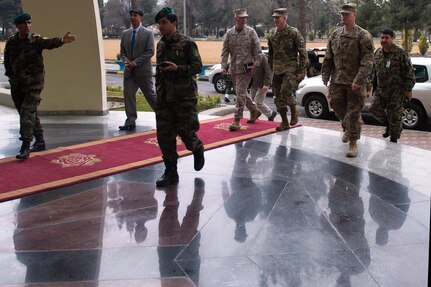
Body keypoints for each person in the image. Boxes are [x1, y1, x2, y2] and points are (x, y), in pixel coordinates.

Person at [4, 13, 76, 160]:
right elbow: (7, 61)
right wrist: (11, 77)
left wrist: (62, 40)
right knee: (29, 114)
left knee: (26, 113)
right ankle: (40, 141)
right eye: (24, 23)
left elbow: (49, 43)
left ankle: (25, 145)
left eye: (29, 23)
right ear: (18, 26)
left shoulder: (35, 40)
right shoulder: (11, 42)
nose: (28, 26)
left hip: (33, 84)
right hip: (17, 85)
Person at [154, 7, 205, 187]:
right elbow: (158, 72)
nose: (161, 27)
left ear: (173, 23)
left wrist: (178, 68)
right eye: (159, 23)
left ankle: (197, 148)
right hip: (165, 99)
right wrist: (157, 93)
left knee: (186, 133)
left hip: (184, 98)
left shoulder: (187, 43)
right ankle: (171, 173)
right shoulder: (160, 45)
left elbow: (198, 67)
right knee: (164, 137)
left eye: (164, 23)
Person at [321, 3, 374, 157]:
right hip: (337, 80)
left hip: (355, 82)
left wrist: (359, 79)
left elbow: (368, 61)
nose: (344, 17)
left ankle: (353, 142)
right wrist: (325, 75)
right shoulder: (335, 35)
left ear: (354, 15)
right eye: (342, 14)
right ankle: (349, 127)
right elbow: (328, 57)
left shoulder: (363, 35)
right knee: (336, 106)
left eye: (347, 14)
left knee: (353, 112)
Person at [370, 28, 416, 143]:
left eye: (387, 37)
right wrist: (372, 86)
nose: (384, 40)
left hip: (396, 92)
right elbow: (374, 72)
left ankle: (393, 140)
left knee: (395, 118)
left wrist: (409, 89)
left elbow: (409, 72)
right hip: (381, 91)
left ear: (392, 38)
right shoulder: (378, 53)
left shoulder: (400, 53)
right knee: (373, 108)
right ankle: (389, 124)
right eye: (382, 37)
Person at [221, 8, 263, 131]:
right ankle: (254, 110)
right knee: (242, 92)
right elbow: (225, 51)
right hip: (233, 68)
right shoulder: (229, 33)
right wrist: (223, 66)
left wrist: (256, 64)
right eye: (241, 18)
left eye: (245, 18)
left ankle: (237, 120)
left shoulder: (251, 32)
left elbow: (258, 50)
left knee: (239, 94)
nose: (244, 20)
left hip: (247, 69)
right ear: (236, 19)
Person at [267, 8, 308, 131]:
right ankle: (284, 121)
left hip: (290, 68)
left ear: (285, 18)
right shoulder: (272, 34)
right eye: (274, 18)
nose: (275, 20)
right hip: (277, 69)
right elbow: (271, 53)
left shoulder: (293, 32)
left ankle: (294, 110)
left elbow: (303, 53)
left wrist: (301, 71)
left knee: (285, 92)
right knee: (277, 97)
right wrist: (270, 69)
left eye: (278, 18)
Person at [119, 8, 157, 131]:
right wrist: (126, 61)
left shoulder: (148, 33)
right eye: (131, 15)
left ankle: (164, 117)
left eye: (135, 15)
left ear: (141, 17)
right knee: (128, 95)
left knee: (151, 96)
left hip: (143, 72)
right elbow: (123, 51)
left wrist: (135, 63)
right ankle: (130, 121)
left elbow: (150, 52)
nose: (133, 18)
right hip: (129, 72)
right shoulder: (125, 34)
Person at [249, 53, 277, 122]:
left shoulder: (263, 57)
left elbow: (269, 71)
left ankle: (271, 114)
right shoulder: (248, 56)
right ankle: (254, 116)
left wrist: (267, 84)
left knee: (258, 103)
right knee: (251, 103)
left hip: (262, 84)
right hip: (253, 83)